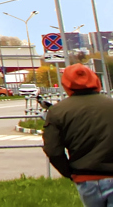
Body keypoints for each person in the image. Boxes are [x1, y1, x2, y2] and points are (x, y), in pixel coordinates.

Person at [43, 64, 113, 206]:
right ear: (96, 81)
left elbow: (53, 150)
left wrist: (69, 172)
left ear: (66, 85)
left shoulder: (57, 112)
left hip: (85, 178)